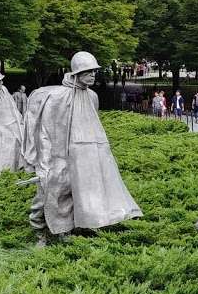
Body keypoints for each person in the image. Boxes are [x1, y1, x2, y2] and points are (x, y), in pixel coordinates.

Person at [22, 51, 142, 245]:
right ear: (77, 73)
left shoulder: (92, 96)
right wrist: (44, 162)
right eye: (88, 72)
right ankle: (39, 231)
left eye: (94, 71)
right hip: (59, 155)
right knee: (48, 192)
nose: (93, 75)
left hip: (85, 155)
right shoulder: (57, 97)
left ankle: (65, 230)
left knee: (75, 193)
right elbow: (46, 131)